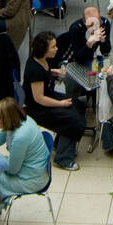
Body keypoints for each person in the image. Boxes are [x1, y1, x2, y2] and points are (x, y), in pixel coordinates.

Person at [23, 31, 86, 170]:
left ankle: (61, 145)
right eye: (53, 47)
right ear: (44, 49)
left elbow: (46, 72)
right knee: (71, 120)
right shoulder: (35, 70)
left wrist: (54, 72)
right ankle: (63, 159)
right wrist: (60, 104)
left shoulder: (42, 60)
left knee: (78, 105)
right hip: (38, 108)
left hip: (48, 97)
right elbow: (39, 98)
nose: (56, 49)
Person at [0, 97, 51, 198]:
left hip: (31, 179)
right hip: (30, 170)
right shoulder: (18, 120)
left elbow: (12, 170)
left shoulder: (20, 137)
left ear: (6, 119)